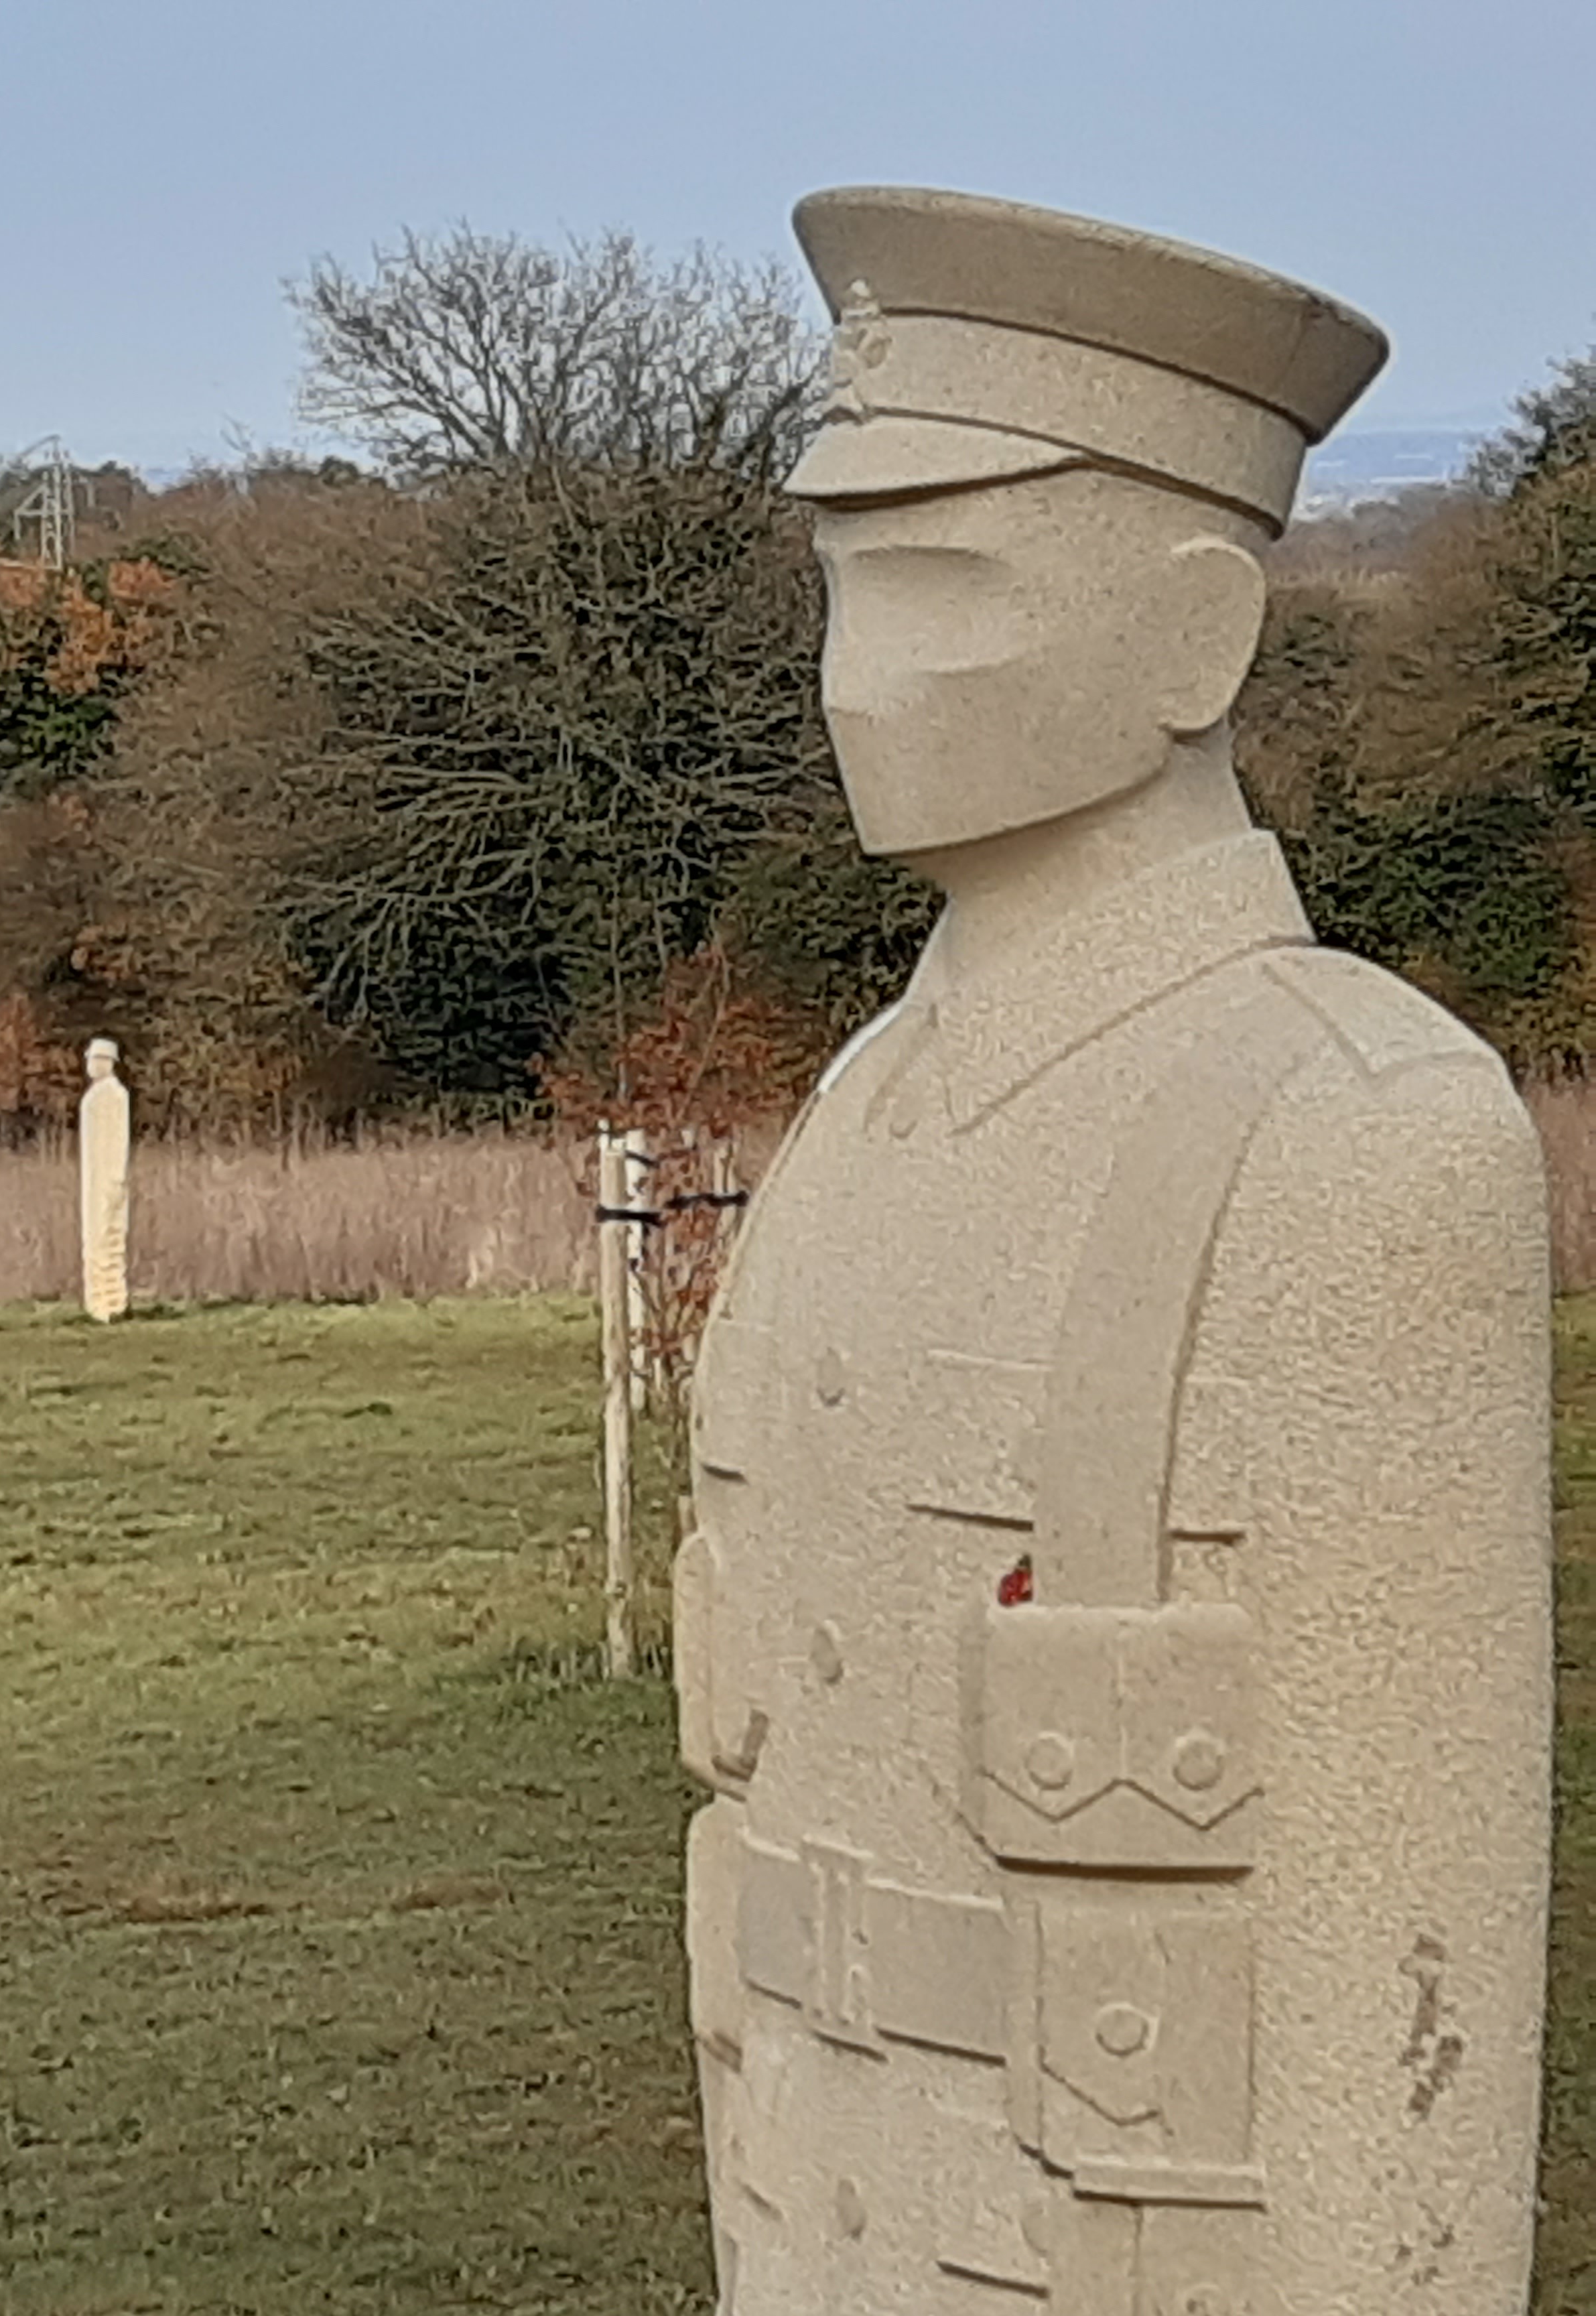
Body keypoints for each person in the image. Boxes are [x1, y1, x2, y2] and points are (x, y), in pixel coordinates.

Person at [678, 188, 1548, 2314]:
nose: (857, 684)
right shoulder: (860, 1112)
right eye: (843, 599)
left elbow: (1394, 1997)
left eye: (944, 592)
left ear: (1194, 636)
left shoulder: (1359, 1145)